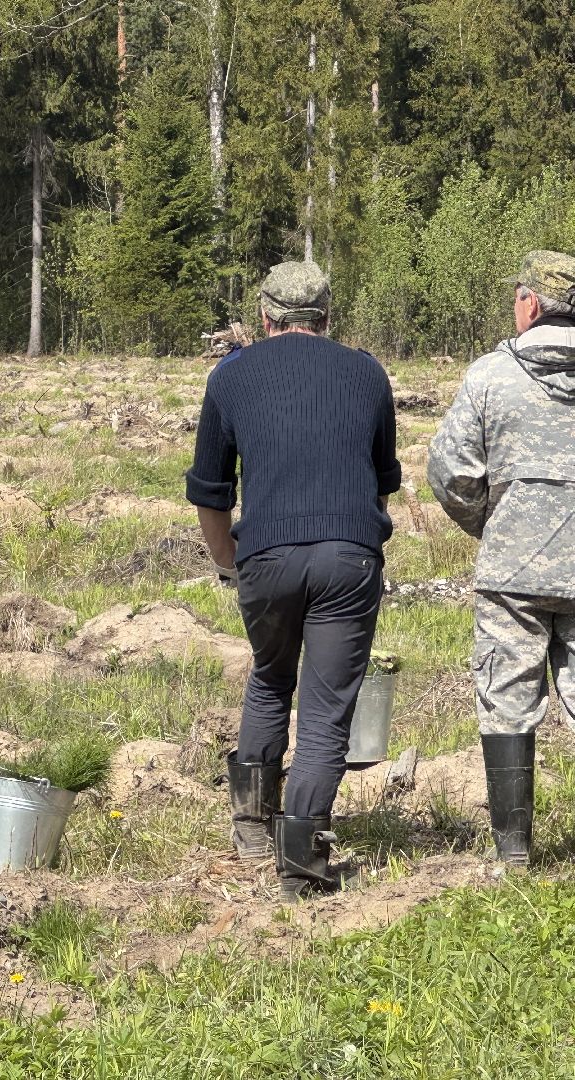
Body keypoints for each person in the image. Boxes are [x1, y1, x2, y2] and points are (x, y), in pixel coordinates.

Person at [185, 261, 400, 900]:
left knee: (271, 674)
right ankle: (302, 860)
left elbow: (210, 491)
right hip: (348, 555)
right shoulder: (366, 372)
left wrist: (230, 563)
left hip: (267, 556)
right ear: (327, 318)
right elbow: (384, 480)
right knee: (328, 709)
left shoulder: (229, 376)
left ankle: (251, 824)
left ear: (263, 316)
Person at [427, 251, 575, 867]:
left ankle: (514, 853)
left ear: (531, 304)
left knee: (506, 694)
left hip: (512, 569)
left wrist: (495, 526)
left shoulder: (490, 374)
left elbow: (451, 471)